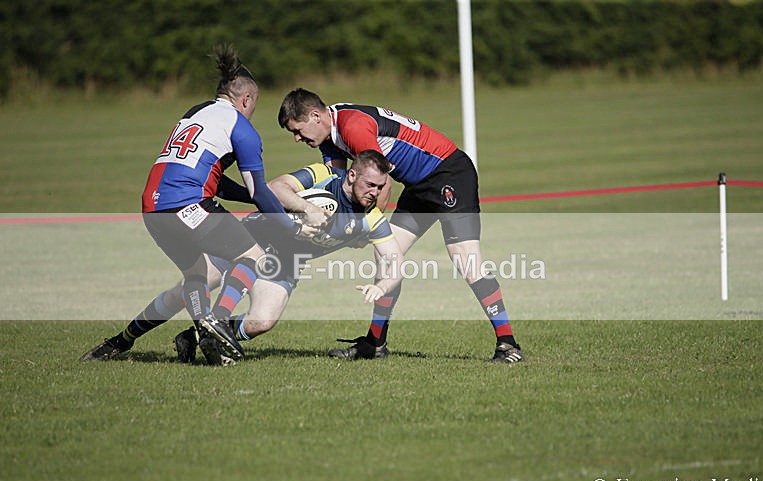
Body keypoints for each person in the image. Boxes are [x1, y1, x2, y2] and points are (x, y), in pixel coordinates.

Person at [99, 44, 317, 365]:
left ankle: (182, 331)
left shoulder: (196, 112)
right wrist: (287, 223)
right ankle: (217, 320)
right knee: (253, 255)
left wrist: (247, 196)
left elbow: (215, 180)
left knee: (195, 273)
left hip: (152, 207)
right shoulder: (242, 128)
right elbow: (259, 191)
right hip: (188, 204)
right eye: (253, 104)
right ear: (246, 99)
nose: (252, 111)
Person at [81, 150, 403, 364]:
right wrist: (305, 209)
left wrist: (383, 285)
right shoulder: (321, 173)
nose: (375, 193)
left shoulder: (370, 219)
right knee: (193, 285)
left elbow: (394, 261)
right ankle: (121, 341)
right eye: (370, 185)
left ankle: (194, 336)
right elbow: (275, 187)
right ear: (351, 176)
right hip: (255, 235)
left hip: (286, 263)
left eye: (381, 187)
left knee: (263, 321)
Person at [277, 88, 524, 363]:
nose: (297, 138)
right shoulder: (328, 135)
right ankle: (375, 343)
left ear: (315, 116)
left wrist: (364, 225)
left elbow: (379, 181)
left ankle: (508, 344)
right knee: (386, 255)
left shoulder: (352, 126)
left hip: (448, 173)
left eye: (298, 130)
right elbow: (338, 185)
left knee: (464, 258)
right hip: (418, 185)